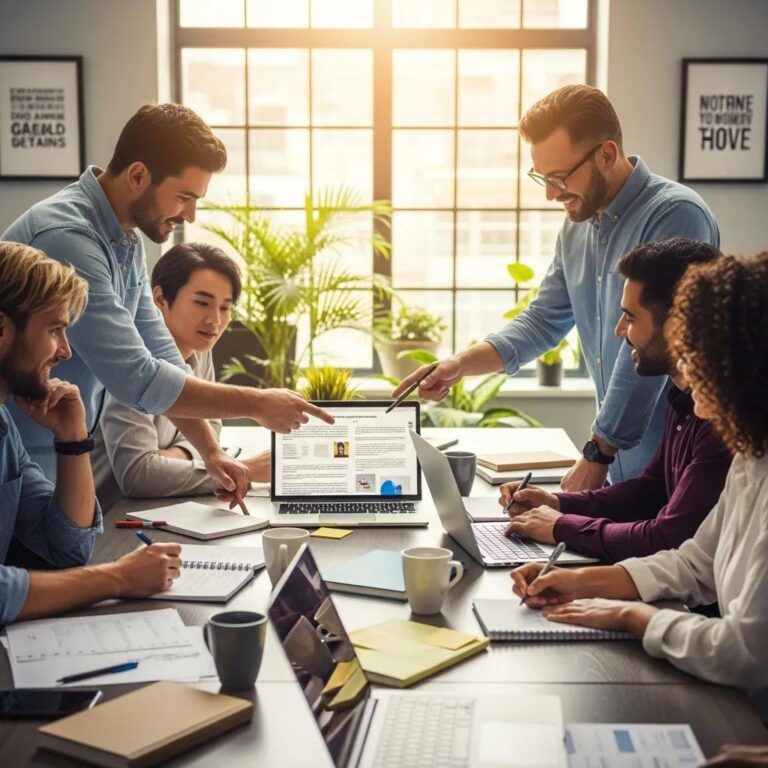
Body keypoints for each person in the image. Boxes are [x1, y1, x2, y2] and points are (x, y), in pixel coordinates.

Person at [392, 85, 719, 490]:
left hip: (675, 471)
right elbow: (543, 320)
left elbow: (651, 348)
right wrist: (461, 365)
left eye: (560, 177)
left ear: (607, 154)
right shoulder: (577, 227)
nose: (550, 194)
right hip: (621, 475)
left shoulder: (675, 215)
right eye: (542, 178)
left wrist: (598, 452)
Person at [1, 103, 332, 501]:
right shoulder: (68, 238)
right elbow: (137, 377)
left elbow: (161, 352)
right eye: (184, 197)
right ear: (138, 175)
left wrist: (212, 453)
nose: (190, 215)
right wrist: (256, 403)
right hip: (20, 459)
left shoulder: (125, 238)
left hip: (55, 458)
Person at [509, 252, 768, 716]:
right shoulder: (751, 456)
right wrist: (579, 581)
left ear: (742, 366)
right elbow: (696, 562)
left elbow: (745, 651)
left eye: (695, 358)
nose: (685, 374)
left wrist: (632, 616)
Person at [501, 237, 730, 562]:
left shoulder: (725, 418)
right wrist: (557, 504)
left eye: (631, 317)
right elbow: (652, 491)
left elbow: (667, 537)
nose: (619, 330)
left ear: (677, 327)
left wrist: (561, 526)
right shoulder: (683, 397)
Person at [0, 243, 180, 625]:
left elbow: (69, 547)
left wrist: (73, 440)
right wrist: (117, 578)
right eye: (54, 330)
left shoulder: (4, 427)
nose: (65, 351)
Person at [92, 242, 270, 509]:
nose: (215, 321)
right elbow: (138, 475)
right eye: (202, 303)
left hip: (159, 506)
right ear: (160, 299)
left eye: (225, 307)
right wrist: (245, 470)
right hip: (110, 520)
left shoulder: (199, 348)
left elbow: (211, 427)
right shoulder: (132, 360)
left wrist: (172, 456)